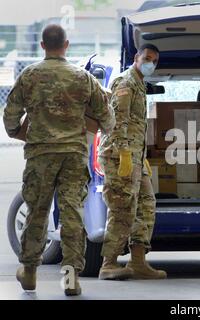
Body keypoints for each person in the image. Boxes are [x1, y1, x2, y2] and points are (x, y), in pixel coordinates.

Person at [2, 24, 115, 296]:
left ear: (42, 46)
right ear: (66, 45)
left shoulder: (29, 76)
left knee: (37, 212)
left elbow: (10, 117)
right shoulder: (83, 78)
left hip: (40, 155)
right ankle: (71, 277)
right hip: (74, 156)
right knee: (73, 214)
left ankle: (29, 272)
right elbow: (108, 119)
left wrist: (20, 133)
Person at [98, 43, 166, 280]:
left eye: (155, 61)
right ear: (137, 57)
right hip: (118, 155)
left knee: (146, 203)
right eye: (147, 58)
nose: (151, 64)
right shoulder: (125, 82)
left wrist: (141, 156)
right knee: (122, 208)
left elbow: (137, 126)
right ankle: (109, 263)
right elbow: (117, 123)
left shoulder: (139, 84)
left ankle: (138, 261)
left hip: (134, 155)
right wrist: (125, 154)